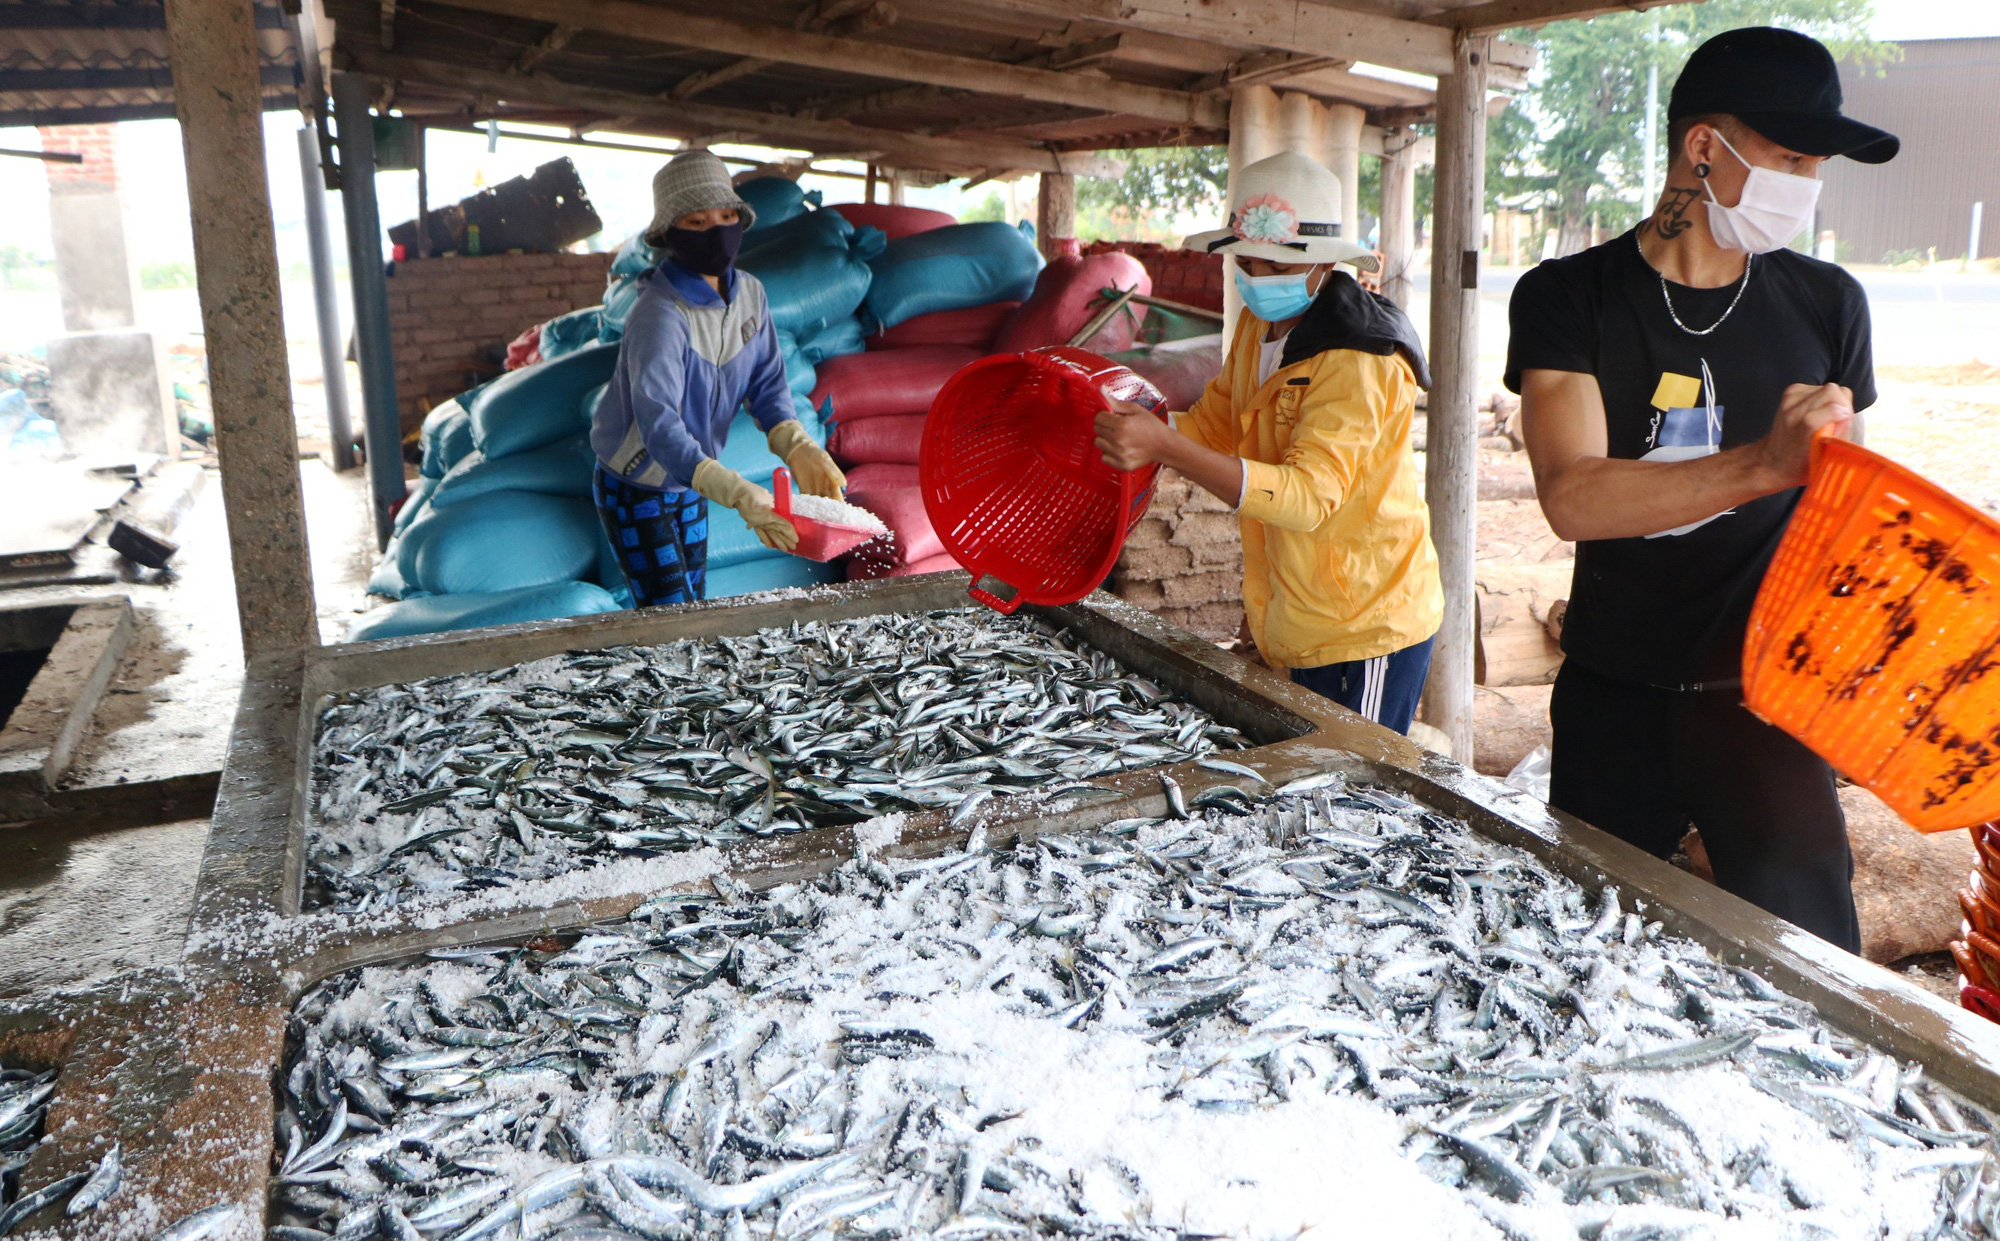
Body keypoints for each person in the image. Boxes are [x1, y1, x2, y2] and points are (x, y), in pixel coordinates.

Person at [1505, 27, 1899, 952]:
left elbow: (1845, 510)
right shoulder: (1568, 298)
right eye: (1792, 157)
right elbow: (1574, 496)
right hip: (1614, 692)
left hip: (1766, 699)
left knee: (1814, 972)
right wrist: (1763, 463)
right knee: (1589, 955)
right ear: (1703, 147)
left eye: (1817, 165)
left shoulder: (1829, 302)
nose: (1808, 184)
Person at [1095, 152, 1442, 735]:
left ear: (1324, 264)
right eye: (1244, 262)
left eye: (1269, 264)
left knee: (1354, 796)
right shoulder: (1263, 326)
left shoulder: (1360, 359)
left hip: (1365, 623)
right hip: (1297, 612)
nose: (1252, 277)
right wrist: (1142, 424)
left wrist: (1163, 447)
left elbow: (1308, 498)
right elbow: (1218, 423)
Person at [591, 151, 846, 606]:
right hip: (638, 482)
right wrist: (736, 491)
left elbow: (768, 384)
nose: (718, 231)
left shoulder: (749, 293)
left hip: (691, 476)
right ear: (669, 235)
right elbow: (659, 426)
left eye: (728, 216)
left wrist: (797, 443)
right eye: (697, 222)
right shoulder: (660, 315)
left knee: (697, 607)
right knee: (671, 618)